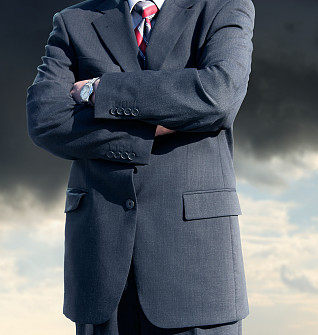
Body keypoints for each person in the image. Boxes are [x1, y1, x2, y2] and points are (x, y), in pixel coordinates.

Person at [25, 0, 254, 333]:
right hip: (102, 272)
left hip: (197, 271)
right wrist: (159, 125)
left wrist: (100, 90)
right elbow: (45, 120)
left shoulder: (223, 6)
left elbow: (217, 94)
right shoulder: (73, 21)